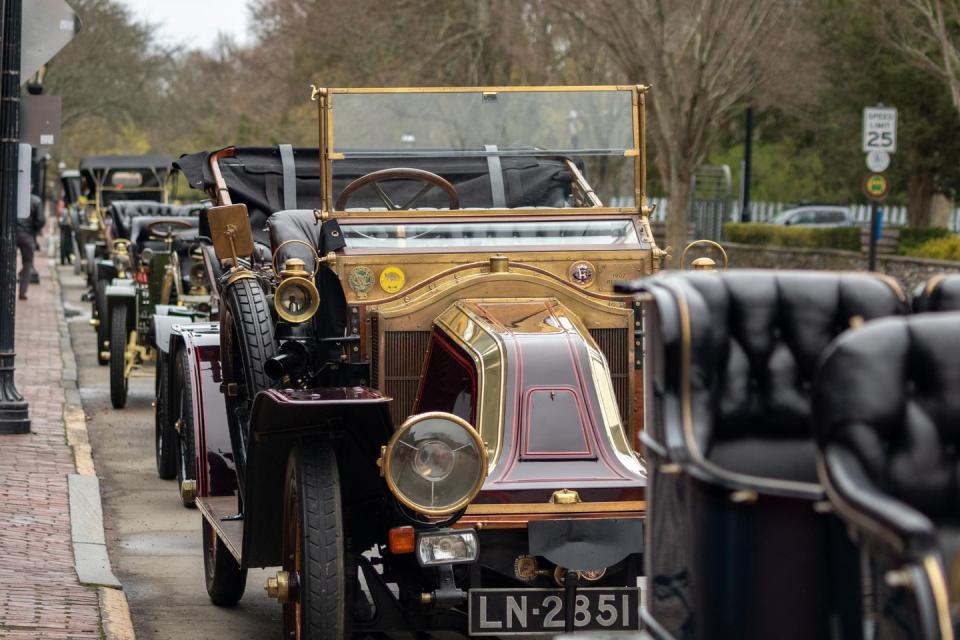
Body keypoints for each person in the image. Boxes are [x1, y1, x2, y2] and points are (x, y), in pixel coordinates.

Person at [16, 187, 45, 300]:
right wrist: (34, 231)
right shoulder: (36, 201)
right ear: (31, 187)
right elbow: (41, 220)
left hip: (11, 234)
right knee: (27, 264)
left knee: (7, 261)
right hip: (27, 235)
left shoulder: (13, 198)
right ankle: (22, 292)